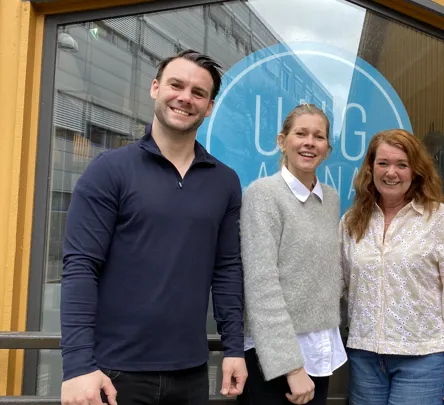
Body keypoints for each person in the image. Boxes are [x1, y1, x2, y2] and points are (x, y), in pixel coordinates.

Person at [60, 49, 247, 405]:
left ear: (209, 107)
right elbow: (81, 268)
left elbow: (226, 270)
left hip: (191, 372)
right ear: (155, 88)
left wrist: (233, 347)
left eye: (198, 93)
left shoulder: (224, 182)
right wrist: (77, 365)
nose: (184, 98)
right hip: (113, 373)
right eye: (176, 85)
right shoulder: (109, 170)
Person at [340, 129, 444, 405]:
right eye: (383, 163)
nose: (392, 173)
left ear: (415, 171)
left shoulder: (437, 217)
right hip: (364, 356)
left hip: (423, 358)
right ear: (370, 168)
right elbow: (336, 285)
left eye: (402, 165)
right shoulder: (352, 221)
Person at [238, 103, 346, 405]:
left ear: (327, 148)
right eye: (301, 133)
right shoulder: (264, 194)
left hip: (319, 351)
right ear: (282, 141)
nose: (310, 142)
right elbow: (261, 284)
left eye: (319, 136)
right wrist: (291, 366)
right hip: (276, 359)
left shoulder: (331, 199)